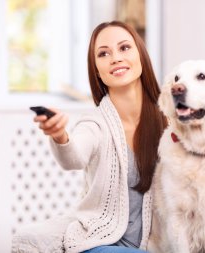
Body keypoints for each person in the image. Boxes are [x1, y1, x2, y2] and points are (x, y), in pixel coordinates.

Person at [32, 21, 166, 253]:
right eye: (104, 53)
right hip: (99, 244)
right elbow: (73, 157)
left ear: (141, 55)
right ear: (96, 70)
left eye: (124, 48)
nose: (115, 58)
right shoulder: (94, 124)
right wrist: (59, 135)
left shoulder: (167, 120)